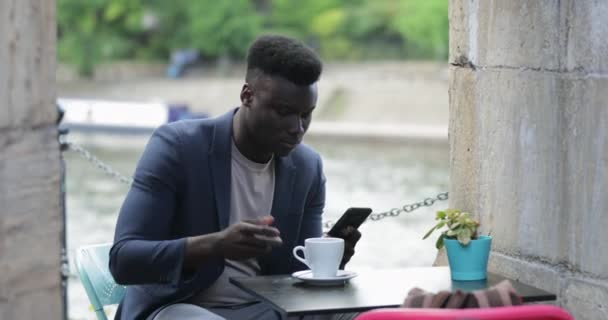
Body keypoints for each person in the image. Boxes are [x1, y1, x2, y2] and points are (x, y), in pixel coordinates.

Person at [109, 35, 362, 320]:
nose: (297, 128)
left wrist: (328, 259)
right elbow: (124, 260)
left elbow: (295, 273)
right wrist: (216, 245)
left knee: (367, 314)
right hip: (180, 309)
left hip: (268, 310)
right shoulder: (178, 147)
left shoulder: (307, 167)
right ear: (247, 95)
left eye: (307, 114)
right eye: (284, 112)